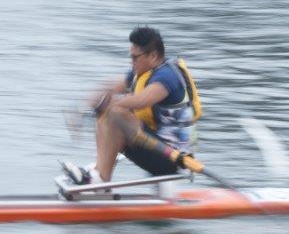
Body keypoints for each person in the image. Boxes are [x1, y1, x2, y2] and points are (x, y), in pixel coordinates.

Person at [70, 26, 202, 185]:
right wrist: (81, 110)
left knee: (116, 113)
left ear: (153, 56)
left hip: (174, 160)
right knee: (108, 110)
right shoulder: (143, 70)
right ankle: (99, 171)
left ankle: (101, 180)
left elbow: (142, 100)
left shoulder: (168, 77)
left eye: (135, 57)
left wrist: (109, 104)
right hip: (155, 147)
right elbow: (110, 87)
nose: (131, 62)